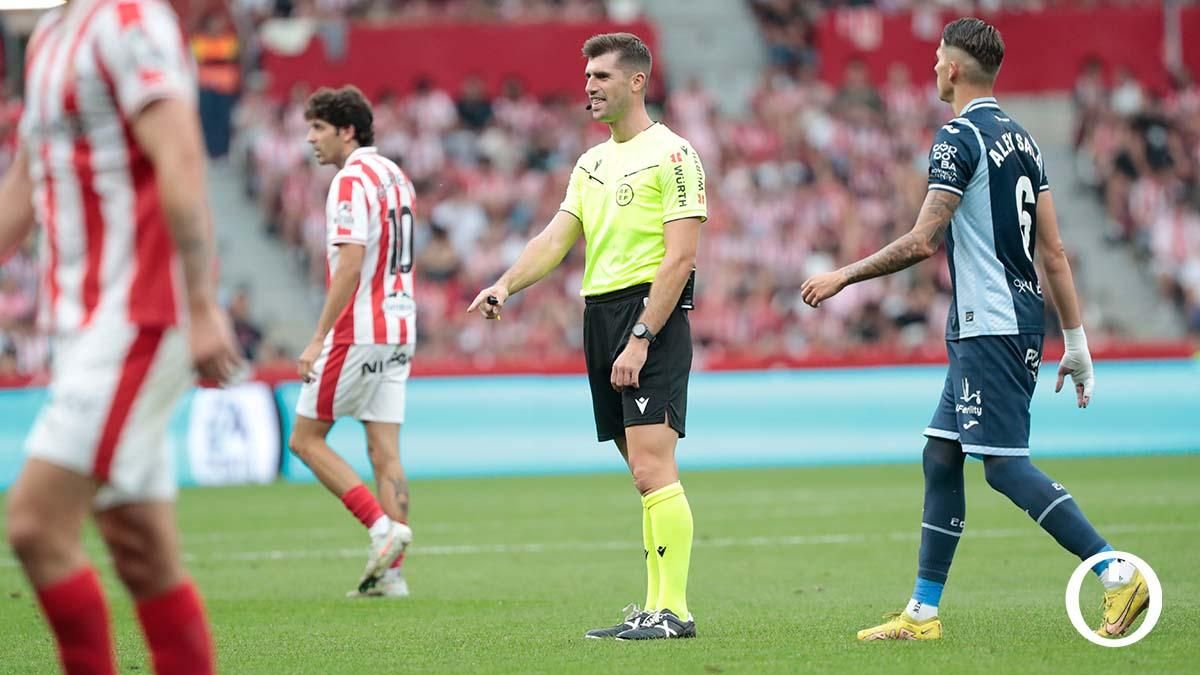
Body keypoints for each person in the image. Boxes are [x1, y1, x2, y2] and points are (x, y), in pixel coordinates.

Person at [801, 17, 1149, 641]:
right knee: (941, 455)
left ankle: (1117, 573)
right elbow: (1054, 251)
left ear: (955, 69)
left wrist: (842, 276)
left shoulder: (956, 138)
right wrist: (1076, 342)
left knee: (1004, 467)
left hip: (990, 324)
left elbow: (923, 240)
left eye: (938, 58)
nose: (934, 66)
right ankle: (922, 613)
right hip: (1000, 323)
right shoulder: (1025, 141)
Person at [1, 1, 244, 673]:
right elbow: (25, 182)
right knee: (141, 551)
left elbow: (181, 156)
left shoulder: (130, 21)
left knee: (35, 525)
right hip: (83, 325)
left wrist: (202, 303)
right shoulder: (49, 34)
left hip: (138, 316)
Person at [468, 32, 706, 640]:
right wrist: (505, 284)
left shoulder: (675, 155)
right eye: (588, 77)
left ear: (636, 81)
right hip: (599, 316)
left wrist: (642, 335)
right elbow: (555, 238)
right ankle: (655, 608)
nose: (590, 87)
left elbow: (680, 258)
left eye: (601, 76)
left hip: (648, 314)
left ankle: (675, 612)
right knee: (643, 476)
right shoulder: (591, 162)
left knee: (654, 468)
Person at [288, 86, 415, 598]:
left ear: (347, 131)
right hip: (401, 328)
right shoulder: (396, 177)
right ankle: (392, 575)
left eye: (318, 128)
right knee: (385, 452)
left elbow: (350, 263)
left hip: (359, 329)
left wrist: (318, 336)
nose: (310, 139)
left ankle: (382, 529)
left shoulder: (350, 180)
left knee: (304, 439)